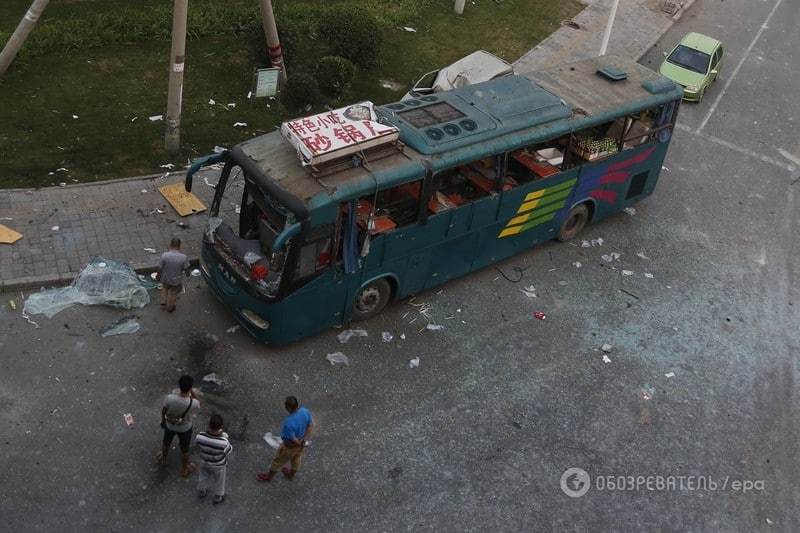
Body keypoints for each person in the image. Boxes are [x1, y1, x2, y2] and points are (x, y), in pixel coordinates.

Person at [257, 396, 313, 482]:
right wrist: (303, 440)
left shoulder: (289, 423)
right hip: (301, 445)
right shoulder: (305, 411)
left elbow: (293, 439)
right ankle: (291, 475)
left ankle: (269, 477)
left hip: (290, 447)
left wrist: (298, 443)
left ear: (288, 408)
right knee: (296, 458)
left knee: (278, 461)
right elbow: (310, 426)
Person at [157, 375, 200, 477]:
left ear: (179, 386)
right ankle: (184, 469)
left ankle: (164, 459)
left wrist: (163, 421)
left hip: (170, 425)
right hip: (185, 428)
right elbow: (198, 402)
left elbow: (163, 411)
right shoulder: (192, 402)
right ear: (190, 388)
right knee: (185, 449)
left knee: (166, 442)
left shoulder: (170, 398)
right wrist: (192, 391)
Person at [196, 414, 232, 505]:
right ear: (221, 427)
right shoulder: (224, 442)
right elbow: (229, 450)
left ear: (209, 424)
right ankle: (218, 496)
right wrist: (224, 437)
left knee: (203, 476)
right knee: (220, 480)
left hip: (204, 461)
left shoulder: (200, 436)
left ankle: (202, 491)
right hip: (218, 465)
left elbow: (198, 446)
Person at [157, 237, 189, 312]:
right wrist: (188, 274)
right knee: (173, 293)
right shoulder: (183, 257)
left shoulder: (164, 255)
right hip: (176, 281)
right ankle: (170, 307)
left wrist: (158, 275)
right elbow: (186, 268)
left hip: (165, 278)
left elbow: (159, 267)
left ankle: (163, 302)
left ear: (170, 245)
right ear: (179, 246)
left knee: (165, 288)